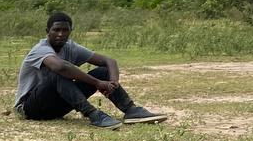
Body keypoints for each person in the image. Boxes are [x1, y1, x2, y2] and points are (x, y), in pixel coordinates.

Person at [14, 11, 167, 129]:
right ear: (48, 31)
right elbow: (61, 67)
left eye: (65, 30)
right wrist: (98, 83)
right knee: (58, 74)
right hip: (31, 108)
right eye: (56, 30)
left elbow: (109, 61)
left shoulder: (71, 47)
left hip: (58, 107)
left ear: (70, 31)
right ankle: (94, 114)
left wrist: (113, 83)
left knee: (103, 71)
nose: (61, 34)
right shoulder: (40, 50)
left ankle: (131, 110)